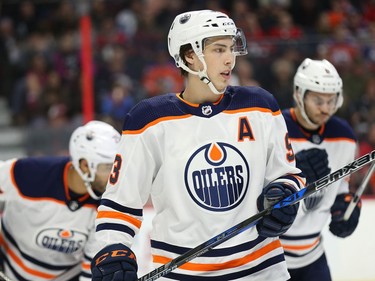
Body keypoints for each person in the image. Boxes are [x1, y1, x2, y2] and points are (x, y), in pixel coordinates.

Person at [91, 10, 305, 281]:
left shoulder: (260, 105)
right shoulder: (149, 120)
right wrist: (113, 250)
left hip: (262, 270)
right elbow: (120, 203)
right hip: (182, 274)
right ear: (189, 55)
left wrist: (283, 193)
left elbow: (288, 174)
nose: (230, 58)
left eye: (230, 48)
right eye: (218, 49)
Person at [0, 120, 120, 281]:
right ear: (84, 165)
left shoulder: (108, 206)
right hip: (7, 266)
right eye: (108, 168)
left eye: (117, 167)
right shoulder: (30, 174)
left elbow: (90, 270)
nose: (115, 176)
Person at [280, 58, 361, 281]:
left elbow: (341, 187)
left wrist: (346, 206)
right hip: (270, 256)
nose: (326, 108)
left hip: (313, 256)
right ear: (299, 93)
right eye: (318, 100)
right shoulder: (274, 128)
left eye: (331, 100)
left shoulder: (344, 135)